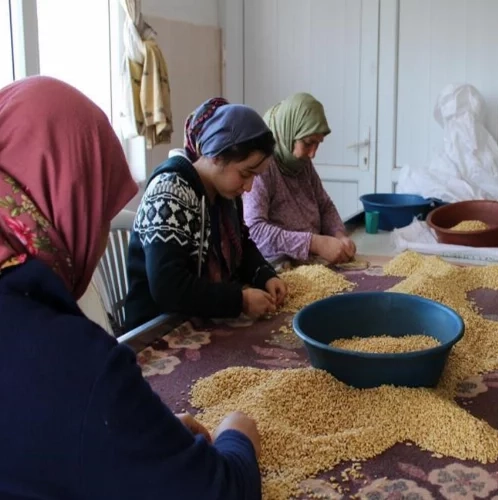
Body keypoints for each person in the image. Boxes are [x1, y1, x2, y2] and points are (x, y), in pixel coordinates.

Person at [0, 77, 263, 499]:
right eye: (103, 213)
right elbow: (217, 491)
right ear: (71, 205)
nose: (103, 238)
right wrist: (237, 435)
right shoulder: (70, 360)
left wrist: (136, 435)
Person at [124, 97, 287, 330]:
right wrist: (239, 301)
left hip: (204, 315)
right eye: (245, 173)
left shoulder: (225, 195)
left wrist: (265, 275)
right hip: (161, 327)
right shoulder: (171, 191)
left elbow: (242, 242)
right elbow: (168, 287)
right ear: (217, 155)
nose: (249, 186)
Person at [242, 92, 356, 264]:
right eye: (308, 142)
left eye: (318, 143)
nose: (313, 153)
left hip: (310, 263)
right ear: (288, 132)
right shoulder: (263, 165)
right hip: (276, 266)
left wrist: (339, 235)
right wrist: (314, 243)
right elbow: (255, 232)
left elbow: (324, 205)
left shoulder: (301, 163)